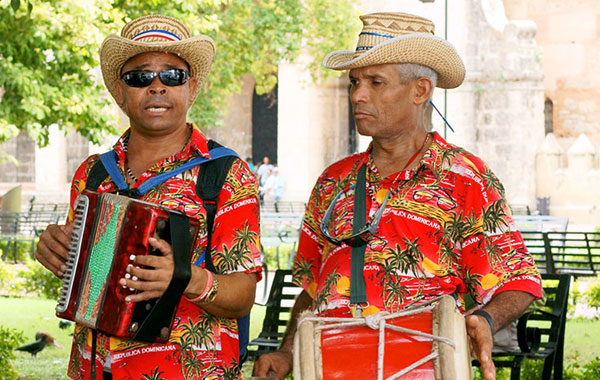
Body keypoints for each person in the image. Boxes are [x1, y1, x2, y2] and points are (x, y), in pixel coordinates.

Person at [253, 12, 542, 380]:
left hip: (422, 369)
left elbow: (519, 280)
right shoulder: (332, 181)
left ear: (420, 90)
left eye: (376, 82)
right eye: (355, 81)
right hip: (329, 369)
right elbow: (313, 288)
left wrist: (486, 318)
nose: (358, 94)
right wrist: (287, 351)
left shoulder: (466, 179)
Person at [35, 15, 261, 380]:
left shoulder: (224, 173)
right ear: (121, 92)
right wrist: (55, 252)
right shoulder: (93, 173)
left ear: (192, 87)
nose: (156, 87)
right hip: (92, 368)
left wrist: (184, 278)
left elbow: (243, 295)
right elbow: (83, 276)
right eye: (140, 77)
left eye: (172, 75)